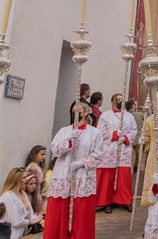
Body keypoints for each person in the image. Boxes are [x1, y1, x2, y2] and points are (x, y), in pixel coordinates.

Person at [43, 101, 104, 239]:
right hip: (63, 175)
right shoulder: (64, 131)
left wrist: (81, 163)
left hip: (83, 175)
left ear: (86, 112)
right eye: (74, 110)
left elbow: (99, 154)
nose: (76, 112)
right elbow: (55, 151)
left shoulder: (94, 133)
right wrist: (69, 140)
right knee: (59, 213)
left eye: (80, 110)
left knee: (81, 214)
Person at [95, 93, 137, 213]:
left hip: (124, 148)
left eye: (122, 100)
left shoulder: (129, 116)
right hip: (110, 148)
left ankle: (124, 200)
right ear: (112, 102)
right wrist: (114, 134)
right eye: (117, 100)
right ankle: (106, 201)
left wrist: (125, 138)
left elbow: (134, 130)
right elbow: (100, 132)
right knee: (108, 176)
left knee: (124, 177)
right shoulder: (105, 116)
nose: (120, 102)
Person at [0, 169, 43, 239]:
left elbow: (30, 215)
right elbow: (16, 221)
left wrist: (40, 219)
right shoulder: (7, 196)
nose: (27, 179)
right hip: (11, 235)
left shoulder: (23, 194)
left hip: (22, 235)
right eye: (24, 177)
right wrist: (30, 222)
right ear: (17, 179)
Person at [24, 145, 46, 215]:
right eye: (42, 154)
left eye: (45, 154)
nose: (44, 156)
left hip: (37, 193)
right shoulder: (32, 167)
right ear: (35, 154)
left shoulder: (37, 166)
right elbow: (32, 181)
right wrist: (40, 181)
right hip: (33, 194)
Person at [126, 100, 145, 172]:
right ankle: (140, 178)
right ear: (132, 106)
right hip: (139, 140)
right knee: (141, 160)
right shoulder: (139, 114)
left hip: (130, 140)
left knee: (131, 161)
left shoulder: (125, 115)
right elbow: (149, 118)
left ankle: (129, 179)